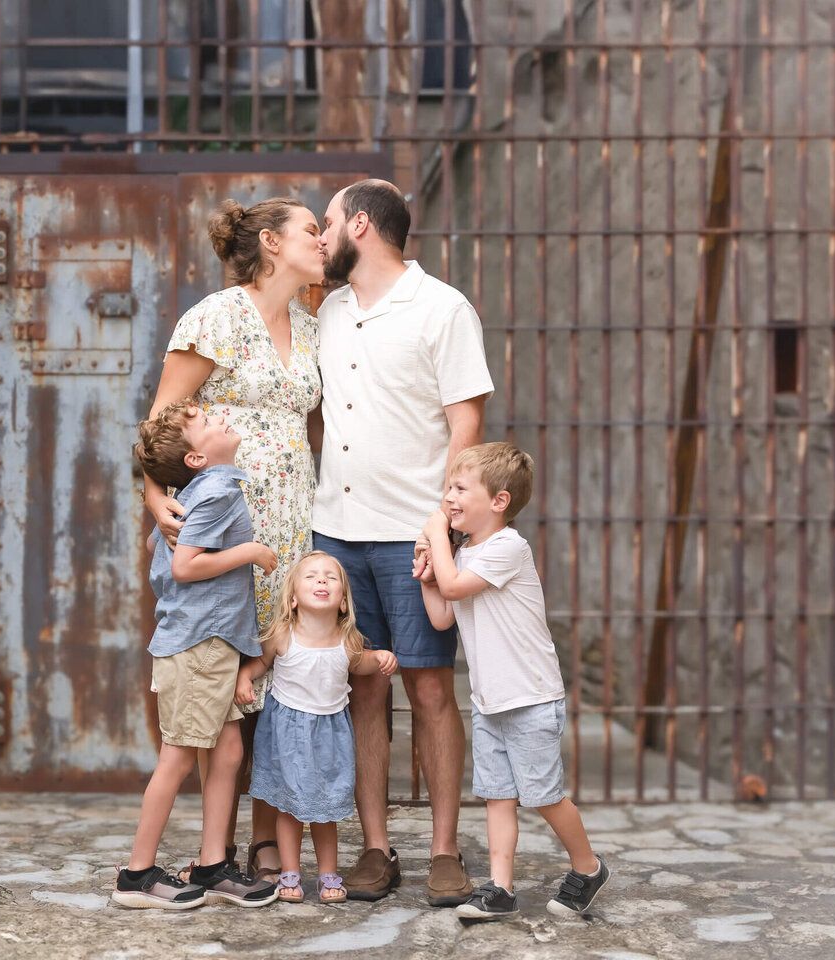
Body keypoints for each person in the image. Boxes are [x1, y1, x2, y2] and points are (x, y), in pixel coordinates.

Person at [312, 179, 493, 905]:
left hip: (412, 536)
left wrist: (441, 523)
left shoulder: (443, 308)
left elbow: (467, 425)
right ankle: (376, 848)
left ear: (361, 222)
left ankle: (445, 851)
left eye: (327, 222)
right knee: (362, 689)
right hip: (336, 531)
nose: (320, 237)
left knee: (428, 688)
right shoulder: (327, 310)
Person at [143, 197, 325, 883]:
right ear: (272, 243)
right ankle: (209, 851)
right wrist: (157, 499)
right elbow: (160, 424)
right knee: (217, 690)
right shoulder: (215, 317)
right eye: (313, 229)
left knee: (269, 682)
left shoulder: (309, 325)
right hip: (222, 531)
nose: (323, 238)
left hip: (288, 527)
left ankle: (257, 843)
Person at [416, 442, 611, 919]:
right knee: (497, 796)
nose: (449, 498)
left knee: (543, 796)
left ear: (498, 502)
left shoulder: (507, 546)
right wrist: (428, 575)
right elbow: (444, 615)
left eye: (461, 488)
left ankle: (588, 868)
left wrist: (436, 537)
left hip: (529, 698)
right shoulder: (461, 555)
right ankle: (499, 890)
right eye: (448, 489)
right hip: (490, 700)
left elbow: (458, 588)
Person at [112, 399, 280, 910]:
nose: (221, 417)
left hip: (213, 644)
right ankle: (137, 875)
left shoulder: (200, 490)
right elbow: (184, 566)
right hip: (199, 646)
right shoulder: (217, 491)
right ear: (196, 459)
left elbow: (154, 550)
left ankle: (211, 866)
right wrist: (250, 552)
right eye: (207, 422)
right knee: (179, 756)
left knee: (227, 752)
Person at [235, 552, 398, 904]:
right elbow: (260, 662)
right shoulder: (282, 634)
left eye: (330, 577)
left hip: (329, 734)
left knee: (325, 811)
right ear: (292, 599)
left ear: (342, 602)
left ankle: (328, 874)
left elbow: (361, 664)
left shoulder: (348, 640)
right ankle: (290, 873)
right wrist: (244, 678)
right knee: (289, 808)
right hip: (287, 733)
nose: (321, 581)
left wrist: (380, 658)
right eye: (310, 576)